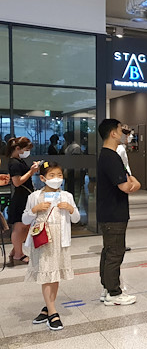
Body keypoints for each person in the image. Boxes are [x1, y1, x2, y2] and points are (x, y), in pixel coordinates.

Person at [23, 161, 80, 331]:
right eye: (52, 176)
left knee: (54, 275)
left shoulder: (66, 196)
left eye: (59, 175)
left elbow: (76, 218)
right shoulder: (34, 197)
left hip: (60, 240)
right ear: (43, 178)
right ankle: (53, 313)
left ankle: (48, 307)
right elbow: (25, 219)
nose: (56, 179)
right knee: (47, 274)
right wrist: (35, 209)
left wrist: (70, 208)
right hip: (43, 240)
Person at [97, 119, 141, 306]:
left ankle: (108, 288)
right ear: (113, 133)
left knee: (109, 251)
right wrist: (134, 183)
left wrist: (132, 182)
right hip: (114, 213)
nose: (123, 134)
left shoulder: (108, 155)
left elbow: (129, 180)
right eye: (120, 130)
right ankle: (114, 292)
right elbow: (127, 185)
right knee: (115, 252)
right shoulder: (111, 157)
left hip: (109, 212)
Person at [6, 137, 37, 266]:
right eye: (26, 149)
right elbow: (17, 182)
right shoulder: (14, 163)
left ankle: (15, 251)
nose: (28, 152)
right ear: (18, 148)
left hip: (24, 197)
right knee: (19, 227)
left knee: (26, 226)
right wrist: (31, 172)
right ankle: (18, 254)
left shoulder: (19, 161)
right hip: (20, 199)